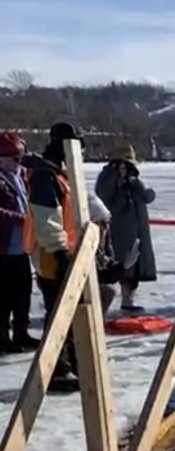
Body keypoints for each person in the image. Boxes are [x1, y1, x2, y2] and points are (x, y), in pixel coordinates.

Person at [22, 120, 84, 392]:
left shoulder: (60, 174)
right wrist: (60, 252)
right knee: (59, 310)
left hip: (67, 249)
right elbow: (46, 218)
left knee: (71, 309)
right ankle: (57, 368)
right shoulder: (45, 175)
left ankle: (74, 361)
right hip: (52, 252)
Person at [95, 142, 156, 312]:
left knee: (135, 266)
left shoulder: (134, 178)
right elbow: (103, 194)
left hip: (137, 230)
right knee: (119, 264)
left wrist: (134, 181)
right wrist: (116, 179)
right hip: (118, 230)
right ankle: (106, 300)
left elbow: (149, 196)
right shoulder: (107, 176)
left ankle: (128, 300)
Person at [0, 131, 39, 354]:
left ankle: (21, 332)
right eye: (15, 158)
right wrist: (20, 219)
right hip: (4, 247)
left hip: (22, 246)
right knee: (4, 296)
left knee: (23, 294)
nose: (19, 162)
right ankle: (2, 337)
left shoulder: (22, 175)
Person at [88, 193, 140, 315]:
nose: (106, 228)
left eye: (107, 223)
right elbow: (98, 275)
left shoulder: (103, 241)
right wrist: (123, 267)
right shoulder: (85, 243)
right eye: (102, 223)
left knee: (108, 290)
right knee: (107, 290)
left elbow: (106, 266)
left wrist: (124, 266)